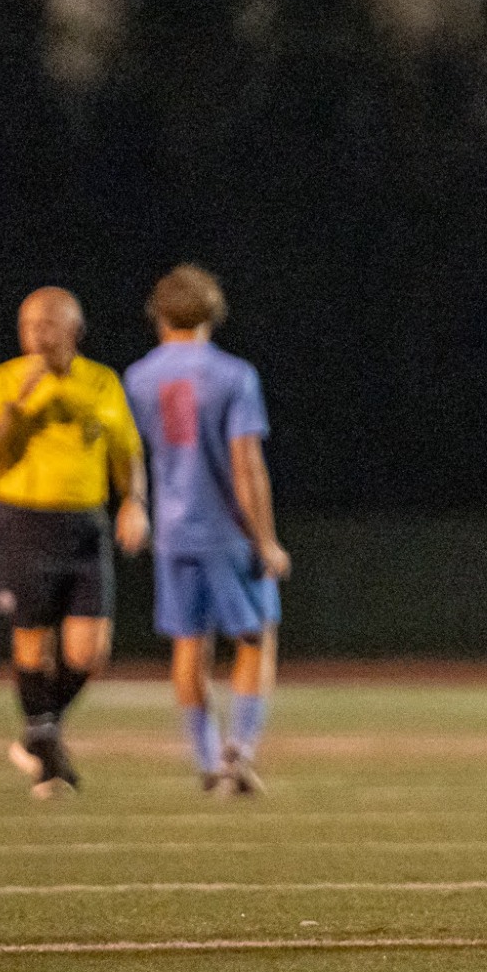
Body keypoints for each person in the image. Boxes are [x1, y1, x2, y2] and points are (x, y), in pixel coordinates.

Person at [0, 287, 147, 798]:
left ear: (75, 328)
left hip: (86, 524)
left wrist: (134, 502)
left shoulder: (101, 381)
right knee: (33, 645)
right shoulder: (4, 378)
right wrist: (16, 403)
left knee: (91, 652)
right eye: (27, 324)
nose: (36, 333)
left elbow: (127, 451)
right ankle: (48, 760)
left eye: (48, 323)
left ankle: (37, 733)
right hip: (25, 520)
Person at [124, 265, 290, 795]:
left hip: (173, 529)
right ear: (213, 314)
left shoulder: (139, 377)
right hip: (226, 530)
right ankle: (236, 753)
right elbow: (247, 467)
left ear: (159, 315)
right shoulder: (234, 376)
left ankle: (204, 759)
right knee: (254, 637)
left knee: (188, 646)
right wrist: (264, 538)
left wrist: (136, 505)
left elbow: (133, 453)